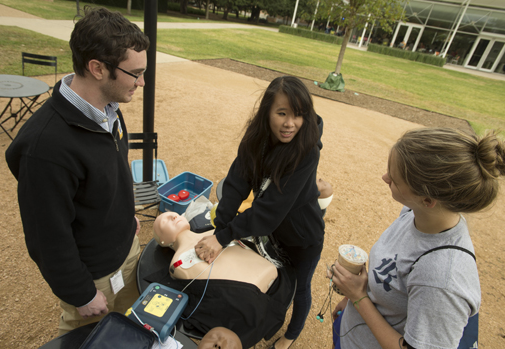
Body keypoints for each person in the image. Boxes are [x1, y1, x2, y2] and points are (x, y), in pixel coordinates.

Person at [5, 6, 150, 335]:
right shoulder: (45, 147)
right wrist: (80, 293)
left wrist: (124, 215)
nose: (142, 82)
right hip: (92, 276)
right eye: (135, 73)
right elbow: (47, 236)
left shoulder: (109, 108)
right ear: (97, 68)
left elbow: (112, 169)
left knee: (129, 329)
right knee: (87, 341)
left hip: (126, 248)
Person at [330, 128, 504, 349]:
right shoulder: (416, 214)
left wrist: (358, 297)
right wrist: (351, 299)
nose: (385, 178)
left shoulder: (441, 278)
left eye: (393, 179)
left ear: (427, 200)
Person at [194, 76, 325, 349]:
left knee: (299, 288)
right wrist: (219, 231)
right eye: (282, 113)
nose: (290, 123)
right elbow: (235, 186)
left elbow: (269, 211)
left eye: (299, 115)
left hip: (303, 237)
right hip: (272, 234)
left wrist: (224, 237)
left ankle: (291, 335)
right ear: (267, 111)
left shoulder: (307, 151)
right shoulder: (255, 140)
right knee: (271, 280)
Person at [153, 212, 278, 293]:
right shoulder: (178, 264)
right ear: (162, 241)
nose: (174, 217)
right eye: (165, 221)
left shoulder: (216, 233)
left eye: (176, 214)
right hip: (251, 292)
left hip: (266, 269)